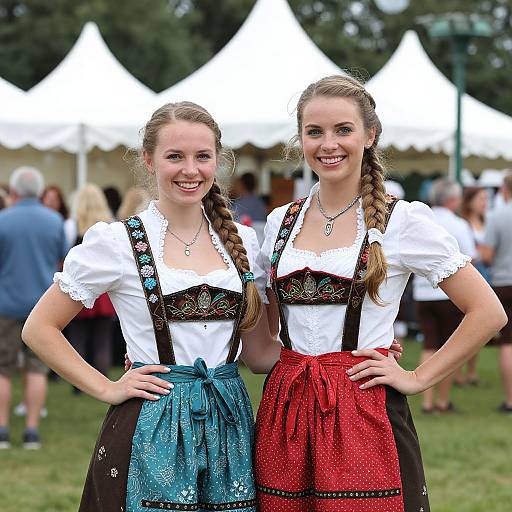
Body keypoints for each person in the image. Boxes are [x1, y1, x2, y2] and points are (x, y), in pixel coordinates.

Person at [253, 75, 506, 512]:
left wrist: (417, 378)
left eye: (343, 130)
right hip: (288, 408)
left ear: (370, 135)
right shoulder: (280, 223)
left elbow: (487, 311)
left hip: (365, 405)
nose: (328, 144)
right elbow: (264, 329)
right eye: (314, 132)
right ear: (300, 139)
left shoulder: (401, 220)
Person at [22, 101, 278, 511]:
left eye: (202, 156)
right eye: (174, 156)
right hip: (152, 421)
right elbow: (39, 328)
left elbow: (262, 356)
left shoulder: (243, 245)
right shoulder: (118, 242)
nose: (190, 170)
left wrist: (336, 351)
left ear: (218, 160)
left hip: (229, 424)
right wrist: (106, 387)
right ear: (149, 160)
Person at [0, 166, 67, 449]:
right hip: (43, 307)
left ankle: (2, 430)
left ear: (14, 192)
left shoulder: (3, 220)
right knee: (37, 369)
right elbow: (63, 261)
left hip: (6, 304)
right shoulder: (54, 221)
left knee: (3, 370)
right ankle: (31, 431)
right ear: (39, 192)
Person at [412, 178, 478, 413]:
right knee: (447, 348)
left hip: (422, 293)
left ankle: (427, 402)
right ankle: (442, 401)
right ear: (453, 199)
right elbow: (471, 256)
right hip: (448, 294)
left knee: (429, 345)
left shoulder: (419, 219)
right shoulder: (458, 224)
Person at [66, 184, 116, 386]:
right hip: (104, 291)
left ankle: (79, 383)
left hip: (80, 284)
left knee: (77, 335)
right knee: (102, 337)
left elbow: (64, 252)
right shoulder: (112, 224)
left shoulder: (71, 225)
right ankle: (102, 378)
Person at [480, 170, 512, 413]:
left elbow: (487, 255)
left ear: (504, 189)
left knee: (507, 344)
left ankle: (510, 400)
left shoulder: (497, 216)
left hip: (503, 281)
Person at [456, 185, 490, 386]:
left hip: (484, 274)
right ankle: (457, 371)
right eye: (481, 199)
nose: (485, 203)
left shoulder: (487, 222)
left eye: (486, 199)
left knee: (480, 324)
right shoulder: (463, 223)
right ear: (469, 202)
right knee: (463, 325)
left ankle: (471, 371)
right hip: (468, 274)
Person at [231, 172, 267, 244]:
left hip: (244, 240)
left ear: (242, 185)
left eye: (237, 184)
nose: (234, 187)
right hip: (260, 240)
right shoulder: (260, 202)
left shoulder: (239, 204)